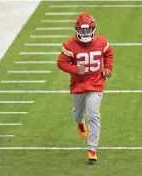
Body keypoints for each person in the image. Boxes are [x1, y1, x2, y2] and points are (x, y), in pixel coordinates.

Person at [57, 12, 113, 162]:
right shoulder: (69, 45)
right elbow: (61, 63)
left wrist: (108, 68)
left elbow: (108, 53)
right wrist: (75, 69)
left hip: (96, 83)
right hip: (78, 85)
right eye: (82, 30)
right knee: (77, 114)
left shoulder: (102, 41)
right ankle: (80, 121)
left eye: (88, 30)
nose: (85, 33)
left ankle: (92, 149)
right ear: (77, 30)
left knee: (94, 114)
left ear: (93, 29)